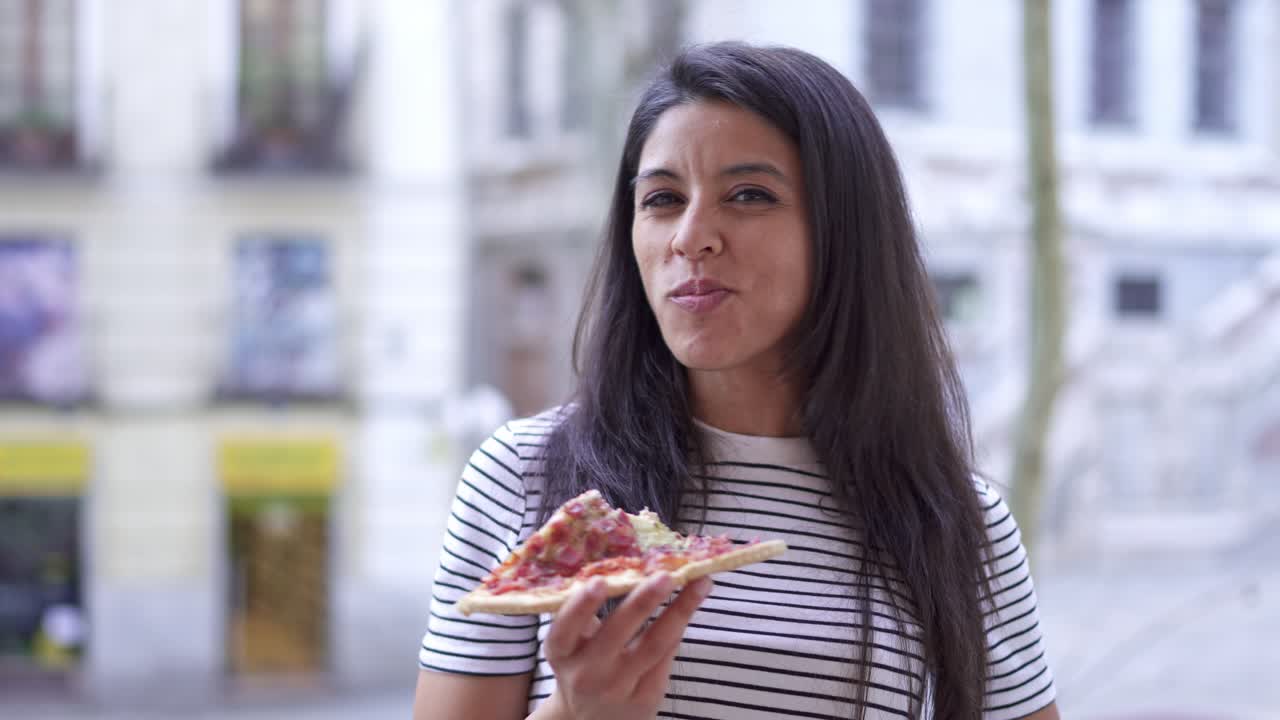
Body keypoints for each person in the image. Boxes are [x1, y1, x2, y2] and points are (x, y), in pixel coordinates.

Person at [413, 42, 1060, 720]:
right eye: (662, 198)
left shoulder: (963, 526)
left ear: (846, 232)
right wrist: (576, 712)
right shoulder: (521, 476)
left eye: (749, 195)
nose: (691, 237)